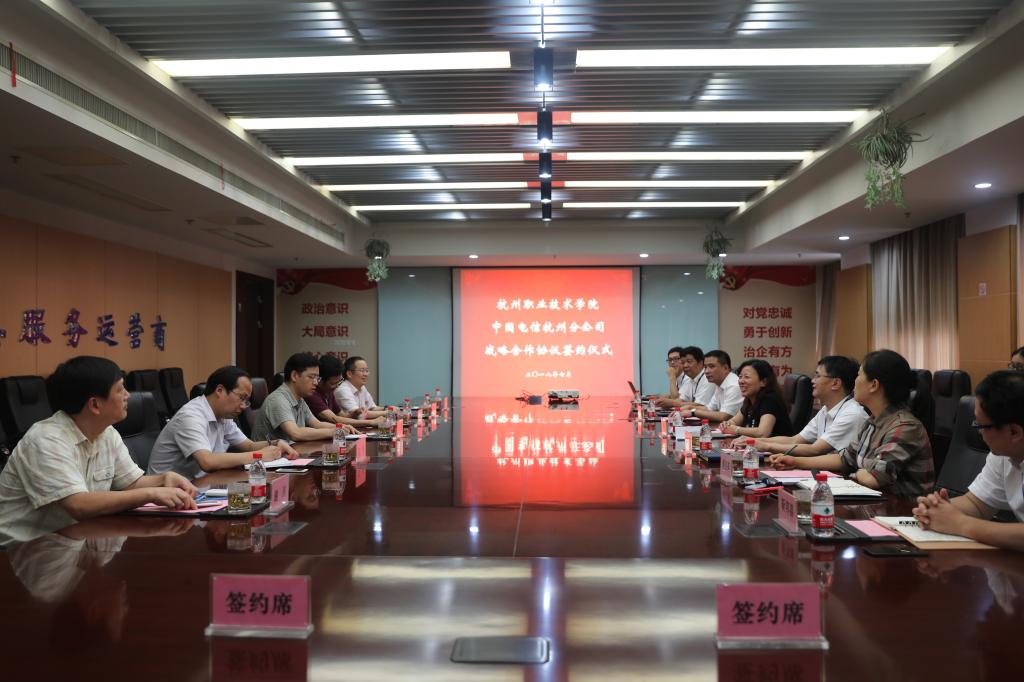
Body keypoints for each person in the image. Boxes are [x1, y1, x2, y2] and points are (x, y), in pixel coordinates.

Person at [0, 356, 197, 543]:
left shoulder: (107, 432)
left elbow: (130, 483)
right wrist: (151, 494)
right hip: (19, 552)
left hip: (76, 540)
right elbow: (78, 505)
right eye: (120, 389)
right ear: (95, 404)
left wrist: (163, 479)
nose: (128, 396)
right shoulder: (46, 440)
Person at [768, 349, 934, 499]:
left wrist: (857, 473)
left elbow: (874, 478)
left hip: (902, 511)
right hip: (874, 505)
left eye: (859, 375)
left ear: (874, 385)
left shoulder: (904, 427)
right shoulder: (872, 421)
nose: (854, 381)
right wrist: (795, 461)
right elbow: (846, 459)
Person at [913, 370, 1024, 551]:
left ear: (1014, 432)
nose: (978, 432)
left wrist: (961, 524)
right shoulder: (1003, 455)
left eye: (980, 425)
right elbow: (977, 504)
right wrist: (937, 509)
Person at [147, 366, 300, 478]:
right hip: (165, 494)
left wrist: (275, 443)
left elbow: (248, 446)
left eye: (246, 401)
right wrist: (258, 456)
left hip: (200, 486)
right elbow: (207, 461)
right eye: (242, 398)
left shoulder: (223, 416)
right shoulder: (191, 416)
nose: (243, 406)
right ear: (219, 390)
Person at [754, 355, 869, 455]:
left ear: (835, 383)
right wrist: (753, 441)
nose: (812, 381)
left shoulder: (852, 414)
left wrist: (767, 446)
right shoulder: (825, 409)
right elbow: (795, 440)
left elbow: (815, 449)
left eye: (818, 376)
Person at [252, 353, 342, 442]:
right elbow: (295, 433)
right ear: (294, 376)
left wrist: (341, 427)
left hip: (293, 449)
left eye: (317, 378)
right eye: (311, 377)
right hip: (271, 451)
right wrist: (333, 432)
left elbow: (317, 424)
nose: (316, 382)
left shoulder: (299, 399)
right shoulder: (277, 400)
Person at [719, 359, 794, 438]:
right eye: (740, 377)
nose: (741, 381)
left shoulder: (770, 400)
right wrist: (726, 424)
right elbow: (734, 421)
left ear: (763, 382)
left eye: (747, 377)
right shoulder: (750, 399)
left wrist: (736, 429)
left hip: (779, 446)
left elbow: (763, 433)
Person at [306, 356, 383, 429]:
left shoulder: (329, 391)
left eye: (339, 382)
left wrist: (354, 413)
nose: (337, 386)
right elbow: (335, 419)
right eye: (333, 383)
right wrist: (371, 422)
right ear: (319, 380)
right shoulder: (312, 394)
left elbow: (342, 415)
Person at [679, 350, 743, 422]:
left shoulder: (733, 386)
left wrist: (693, 412)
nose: (706, 371)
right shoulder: (719, 383)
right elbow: (709, 408)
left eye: (711, 366)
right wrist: (690, 407)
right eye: (705, 367)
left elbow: (724, 416)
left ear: (725, 368)